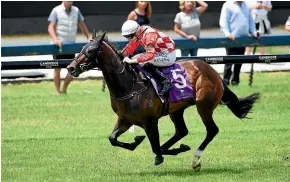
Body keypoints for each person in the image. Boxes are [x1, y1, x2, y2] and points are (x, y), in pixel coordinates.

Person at [121, 20, 176, 96]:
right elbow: (130, 47)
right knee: (135, 57)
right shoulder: (139, 33)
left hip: (168, 55)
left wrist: (132, 61)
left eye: (129, 36)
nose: (128, 39)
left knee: (141, 61)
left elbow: (150, 55)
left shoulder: (149, 34)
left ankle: (165, 82)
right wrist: (120, 56)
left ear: (136, 32)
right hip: (159, 53)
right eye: (126, 37)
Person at [48, 1, 90, 95]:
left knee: (73, 68)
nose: (69, 2)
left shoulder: (76, 10)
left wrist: (88, 37)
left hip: (71, 46)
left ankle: (64, 89)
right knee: (57, 68)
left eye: (71, 1)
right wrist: (55, 39)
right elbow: (50, 27)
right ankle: (57, 91)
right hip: (58, 46)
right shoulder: (56, 10)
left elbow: (82, 25)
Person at [219, 1, 258, 86]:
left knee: (240, 60)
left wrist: (254, 31)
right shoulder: (228, 4)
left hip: (243, 38)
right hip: (231, 38)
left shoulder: (246, 5)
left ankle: (235, 81)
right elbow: (223, 20)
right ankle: (225, 81)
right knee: (229, 60)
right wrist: (227, 33)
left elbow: (250, 20)